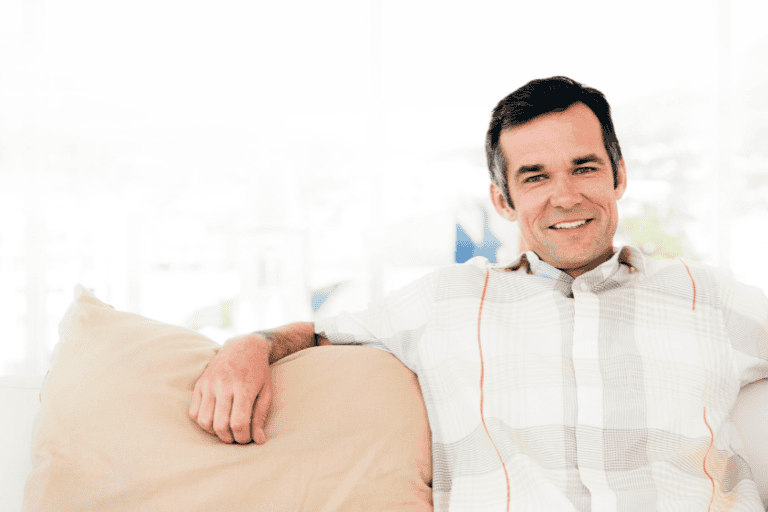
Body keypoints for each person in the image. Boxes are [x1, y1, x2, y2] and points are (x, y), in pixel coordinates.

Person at [188, 76, 768, 511]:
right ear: (503, 201)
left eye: (584, 168)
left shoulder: (705, 294)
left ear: (618, 174)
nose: (564, 196)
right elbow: (315, 333)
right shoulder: (447, 300)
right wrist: (246, 348)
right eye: (535, 177)